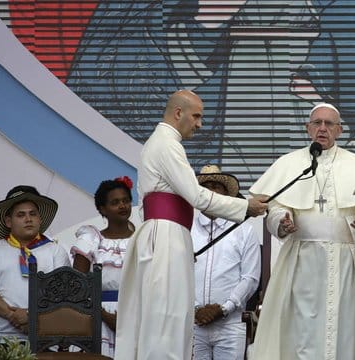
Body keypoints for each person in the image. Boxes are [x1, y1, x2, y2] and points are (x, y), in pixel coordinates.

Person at [114, 90, 268, 360]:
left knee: (168, 317)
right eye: (196, 116)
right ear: (178, 113)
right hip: (165, 237)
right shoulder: (167, 143)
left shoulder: (162, 142)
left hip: (166, 235)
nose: (199, 124)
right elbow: (197, 196)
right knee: (166, 318)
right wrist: (246, 207)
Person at [249, 103, 355, 359]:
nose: (322, 128)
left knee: (347, 329)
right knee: (301, 330)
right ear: (308, 129)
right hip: (302, 262)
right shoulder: (289, 164)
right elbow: (274, 208)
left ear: (339, 130)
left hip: (348, 264)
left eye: (329, 124)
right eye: (317, 123)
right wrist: (281, 221)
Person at [191, 165, 261, 360]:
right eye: (206, 187)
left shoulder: (243, 230)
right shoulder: (185, 229)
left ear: (225, 194)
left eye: (217, 187)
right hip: (193, 323)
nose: (212, 192)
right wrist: (197, 309)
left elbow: (250, 278)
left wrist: (223, 308)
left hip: (230, 325)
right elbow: (178, 276)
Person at [0, 185, 70, 344]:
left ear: (40, 219)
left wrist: (32, 317)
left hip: (44, 340)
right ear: (8, 221)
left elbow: (62, 296)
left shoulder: (56, 251)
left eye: (33, 214)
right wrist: (13, 316)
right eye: (21, 215)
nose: (28, 219)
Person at [70, 176, 135, 356]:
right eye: (115, 202)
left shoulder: (142, 240)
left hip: (135, 316)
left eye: (126, 201)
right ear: (102, 209)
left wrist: (128, 317)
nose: (122, 206)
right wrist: (106, 317)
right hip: (98, 317)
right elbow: (77, 286)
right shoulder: (91, 239)